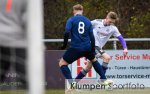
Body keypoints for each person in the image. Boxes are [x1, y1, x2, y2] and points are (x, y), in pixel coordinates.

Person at [59, 4, 112, 90]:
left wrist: (64, 45)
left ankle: (72, 84)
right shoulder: (87, 21)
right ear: (82, 11)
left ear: (74, 11)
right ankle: (104, 79)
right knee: (94, 60)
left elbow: (66, 32)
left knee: (62, 63)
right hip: (87, 47)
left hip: (76, 47)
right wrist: (91, 49)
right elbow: (92, 37)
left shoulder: (71, 19)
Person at [76, 11, 128, 80]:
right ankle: (102, 80)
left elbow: (120, 38)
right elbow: (84, 27)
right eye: (109, 21)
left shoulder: (113, 28)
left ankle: (72, 85)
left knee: (88, 68)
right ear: (106, 17)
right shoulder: (96, 22)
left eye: (112, 22)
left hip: (98, 47)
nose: (110, 23)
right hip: (92, 45)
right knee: (107, 57)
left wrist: (125, 48)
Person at [0, 0, 27, 89]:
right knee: (28, 79)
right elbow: (26, 19)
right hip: (17, 41)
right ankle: (71, 89)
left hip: (8, 40)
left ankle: (71, 88)